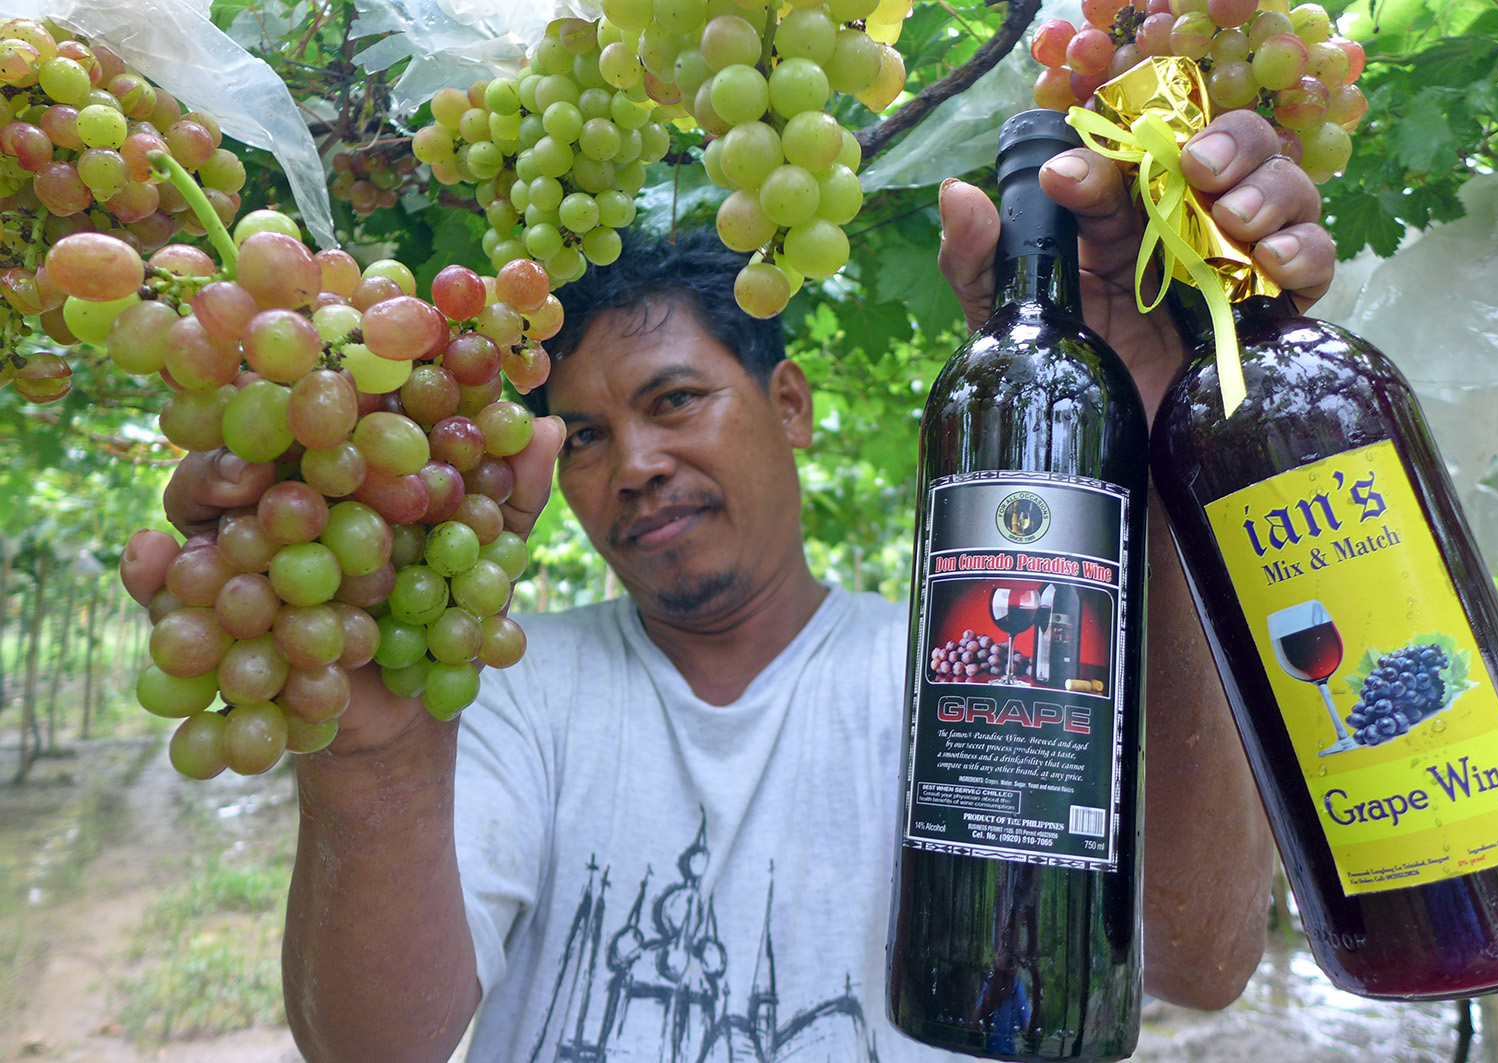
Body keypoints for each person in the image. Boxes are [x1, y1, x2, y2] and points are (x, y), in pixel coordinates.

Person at [119, 109, 1335, 1063]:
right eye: (583, 435)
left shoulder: (969, 672)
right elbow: (376, 1046)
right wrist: (371, 764)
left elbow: (1199, 954)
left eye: (674, 401)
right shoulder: (500, 687)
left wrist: (1156, 453)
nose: (634, 464)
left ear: (790, 405)